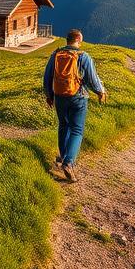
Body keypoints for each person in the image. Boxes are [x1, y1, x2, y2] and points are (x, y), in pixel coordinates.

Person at [43, 29, 108, 182]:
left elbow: (47, 77)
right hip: (79, 97)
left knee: (63, 126)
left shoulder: (56, 55)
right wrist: (100, 92)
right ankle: (68, 163)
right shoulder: (83, 57)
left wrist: (49, 95)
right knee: (77, 130)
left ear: (67, 39)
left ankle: (64, 157)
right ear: (78, 39)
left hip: (59, 96)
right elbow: (92, 79)